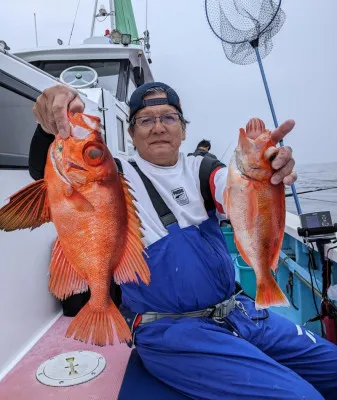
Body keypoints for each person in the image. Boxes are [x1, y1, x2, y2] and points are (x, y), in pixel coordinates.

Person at [30, 82, 337, 400]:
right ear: (132, 134)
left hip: (238, 311)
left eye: (169, 117)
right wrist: (48, 127)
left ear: (184, 129)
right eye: (146, 120)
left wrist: (265, 170)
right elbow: (49, 172)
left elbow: (232, 190)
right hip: (170, 331)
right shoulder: (112, 172)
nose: (159, 127)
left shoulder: (204, 168)